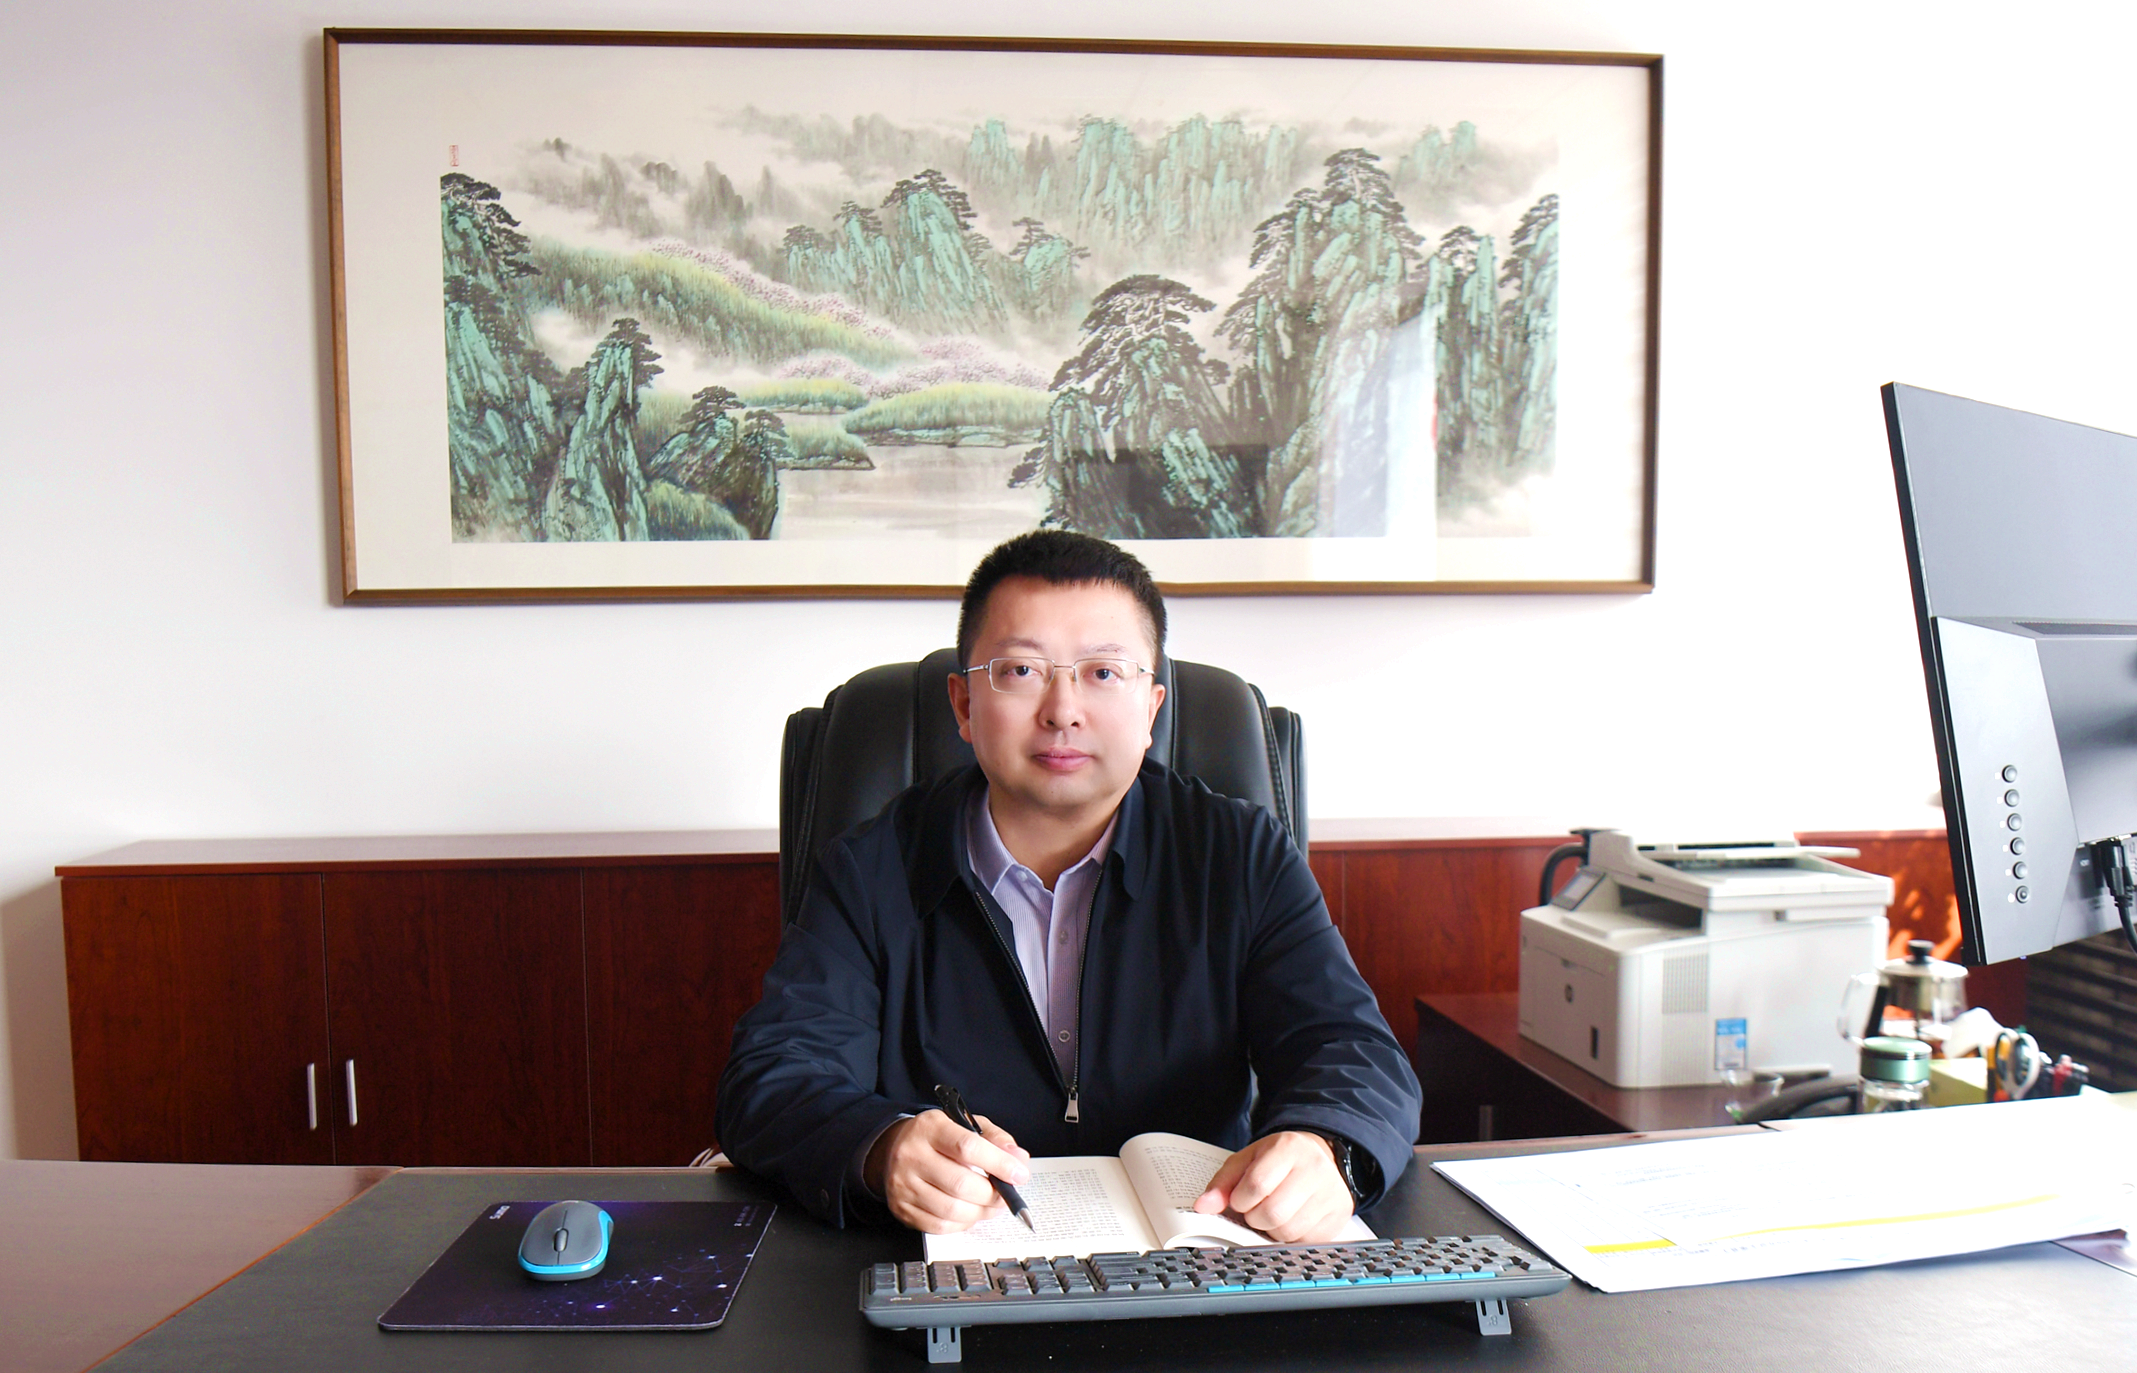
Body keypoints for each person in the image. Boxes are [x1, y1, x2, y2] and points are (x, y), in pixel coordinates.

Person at [716, 531, 1420, 1242]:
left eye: (1103, 672)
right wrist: (880, 1147)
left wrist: (1330, 1149)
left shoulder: (1237, 854)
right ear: (963, 705)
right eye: (1021, 669)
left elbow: (1354, 1052)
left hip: (1197, 1265)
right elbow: (773, 1076)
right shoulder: (871, 869)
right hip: (954, 1273)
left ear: (1151, 710)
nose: (1062, 710)